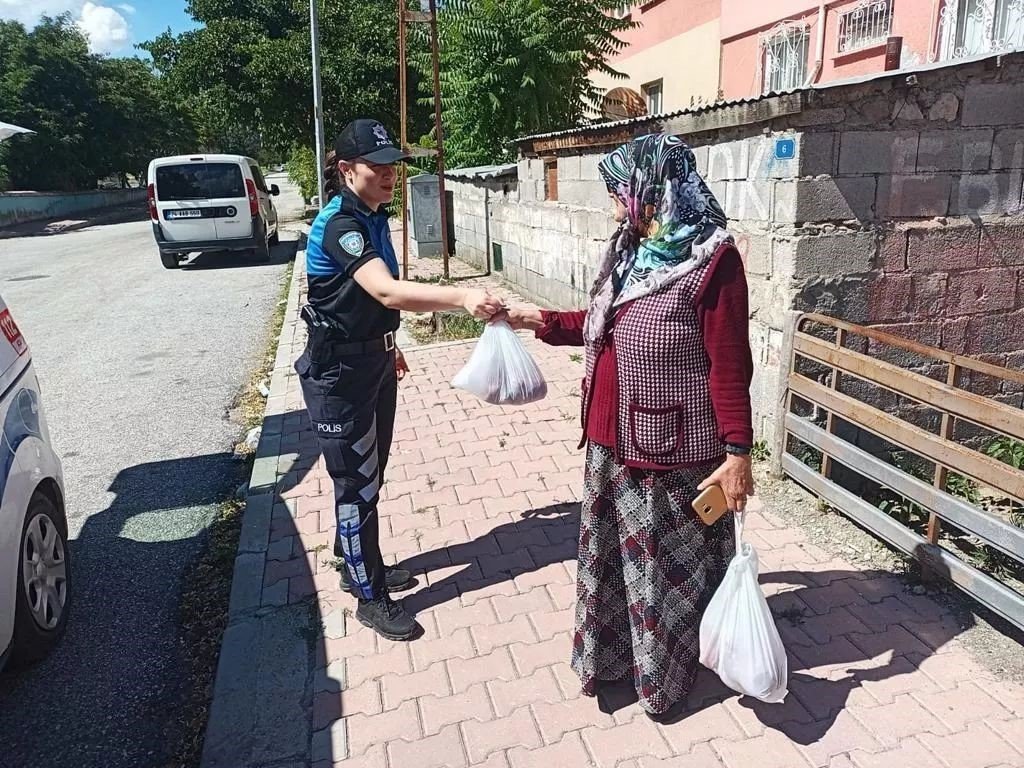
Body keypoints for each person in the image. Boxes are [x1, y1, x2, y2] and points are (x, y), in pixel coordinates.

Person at [500, 133, 755, 719]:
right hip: (609, 446)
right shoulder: (629, 247)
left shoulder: (714, 261)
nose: (616, 203)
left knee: (662, 578)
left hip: (669, 454)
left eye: (621, 191)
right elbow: (602, 326)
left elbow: (730, 362)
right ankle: (613, 663)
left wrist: (738, 452)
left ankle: (664, 682)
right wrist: (533, 319)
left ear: (655, 189)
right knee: (612, 567)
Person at [296, 119, 504, 641]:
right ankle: (369, 597)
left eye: (393, 166)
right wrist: (459, 296)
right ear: (346, 170)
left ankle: (356, 562)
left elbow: (368, 307)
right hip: (339, 374)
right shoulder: (339, 224)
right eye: (377, 166)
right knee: (357, 485)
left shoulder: (373, 218)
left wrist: (391, 348)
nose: (389, 175)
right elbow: (385, 291)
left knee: (372, 473)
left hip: (371, 363)